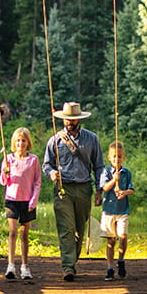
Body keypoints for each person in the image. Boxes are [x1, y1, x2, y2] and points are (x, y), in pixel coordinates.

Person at [43, 102, 104, 281]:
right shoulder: (55, 139)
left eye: (72, 118)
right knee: (66, 229)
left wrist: (99, 190)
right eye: (66, 119)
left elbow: (99, 166)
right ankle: (67, 267)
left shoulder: (92, 139)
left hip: (84, 189)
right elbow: (46, 165)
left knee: (79, 229)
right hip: (63, 189)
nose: (69, 122)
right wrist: (51, 173)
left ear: (79, 119)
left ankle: (72, 260)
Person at [0, 127, 41, 280]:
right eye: (17, 141)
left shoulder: (33, 160)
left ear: (27, 142)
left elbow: (37, 182)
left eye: (23, 140)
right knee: (13, 232)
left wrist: (33, 200)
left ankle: (25, 266)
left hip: (27, 201)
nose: (20, 144)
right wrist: (5, 170)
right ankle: (10, 265)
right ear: (13, 142)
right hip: (12, 200)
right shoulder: (8, 159)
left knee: (24, 234)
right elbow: (3, 181)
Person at [99, 140, 134, 281]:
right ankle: (110, 267)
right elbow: (104, 188)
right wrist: (114, 180)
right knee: (110, 241)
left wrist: (124, 192)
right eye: (114, 156)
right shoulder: (106, 171)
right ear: (109, 157)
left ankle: (121, 260)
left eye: (119, 156)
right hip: (108, 210)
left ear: (123, 157)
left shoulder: (127, 173)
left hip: (123, 210)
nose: (116, 159)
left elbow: (131, 190)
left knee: (123, 236)